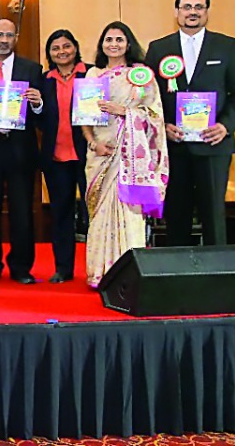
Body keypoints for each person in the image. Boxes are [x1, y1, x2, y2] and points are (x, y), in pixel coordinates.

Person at [144, 0, 235, 247]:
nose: (192, 12)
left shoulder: (227, 46)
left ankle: (218, 277)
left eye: (199, 7)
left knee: (213, 215)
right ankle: (178, 278)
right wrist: (162, 126)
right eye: (186, 7)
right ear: (176, 12)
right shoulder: (159, 48)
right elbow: (148, 98)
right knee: (176, 215)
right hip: (174, 146)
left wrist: (225, 127)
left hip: (213, 147)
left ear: (207, 12)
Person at [82, 21, 168, 287]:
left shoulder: (141, 75)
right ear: (102, 45)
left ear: (128, 44)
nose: (114, 44)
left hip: (130, 156)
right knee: (99, 214)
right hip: (100, 153)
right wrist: (92, 143)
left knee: (129, 212)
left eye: (119, 39)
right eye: (108, 39)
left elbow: (155, 116)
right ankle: (100, 272)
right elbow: (83, 115)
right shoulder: (93, 75)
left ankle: (129, 271)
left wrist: (125, 112)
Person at [0, 18, 43, 285]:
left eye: (9, 35)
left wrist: (37, 105)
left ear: (16, 38)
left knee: (22, 210)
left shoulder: (32, 69)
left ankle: (21, 267)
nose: (4, 40)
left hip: (19, 148)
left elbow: (42, 115)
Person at [35, 29, 90, 283]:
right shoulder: (44, 79)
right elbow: (37, 119)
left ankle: (101, 267)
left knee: (96, 215)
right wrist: (36, 105)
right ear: (50, 54)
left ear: (76, 48)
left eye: (66, 46)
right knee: (61, 215)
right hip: (56, 157)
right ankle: (63, 269)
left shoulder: (91, 74)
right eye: (55, 48)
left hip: (90, 155)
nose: (62, 52)